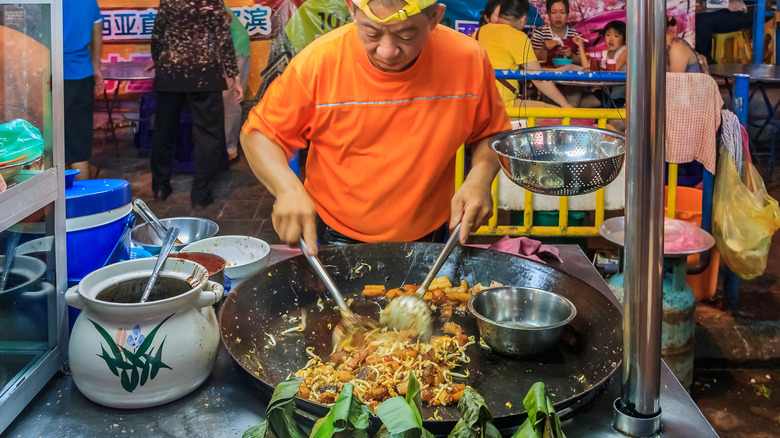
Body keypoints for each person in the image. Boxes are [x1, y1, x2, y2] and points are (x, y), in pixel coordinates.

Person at [240, 0, 511, 254]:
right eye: (371, 33)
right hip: (335, 236)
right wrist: (287, 188)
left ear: (434, 18)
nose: (387, 51)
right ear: (352, 11)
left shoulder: (468, 59)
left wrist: (481, 176)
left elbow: (492, 131)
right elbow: (259, 135)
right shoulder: (318, 63)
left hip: (433, 236)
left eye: (406, 35)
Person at [150, 0, 241, 210]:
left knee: (164, 130)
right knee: (209, 135)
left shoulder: (168, 2)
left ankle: (160, 187)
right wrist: (234, 75)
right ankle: (200, 195)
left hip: (171, 73)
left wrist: (160, 62)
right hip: (205, 75)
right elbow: (224, 40)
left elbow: (157, 36)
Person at [473, 0, 573, 111]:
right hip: (503, 106)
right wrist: (565, 104)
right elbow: (538, 78)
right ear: (523, 19)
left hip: (477, 105)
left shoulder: (478, 32)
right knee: (562, 116)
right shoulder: (518, 37)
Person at [63, 0, 103, 181]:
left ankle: (53, 206)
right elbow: (97, 32)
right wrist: (96, 67)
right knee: (79, 150)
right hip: (82, 75)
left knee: (47, 148)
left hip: (47, 77)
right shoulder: (88, 1)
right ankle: (81, 205)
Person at [223, 2, 251, 163]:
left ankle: (230, 148)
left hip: (235, 49)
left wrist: (236, 77)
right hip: (218, 53)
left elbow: (223, 35)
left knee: (230, 98)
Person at [530, 0, 587, 67]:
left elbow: (582, 64)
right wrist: (545, 48)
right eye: (554, 12)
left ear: (568, 14)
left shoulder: (575, 35)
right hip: (546, 76)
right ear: (548, 13)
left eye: (562, 12)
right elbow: (535, 62)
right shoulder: (539, 33)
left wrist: (571, 55)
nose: (558, 16)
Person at [695, 0, 752, 64]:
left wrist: (726, 3)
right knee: (691, 19)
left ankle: (704, 63)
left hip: (745, 9)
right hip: (716, 7)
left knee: (700, 22)